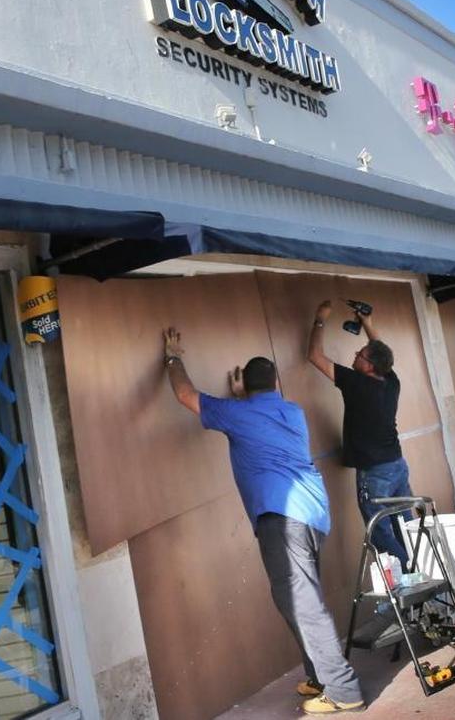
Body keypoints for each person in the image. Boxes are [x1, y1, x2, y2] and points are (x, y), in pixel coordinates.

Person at [162, 327, 364, 715]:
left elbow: (186, 395)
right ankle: (321, 675)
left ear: (246, 388)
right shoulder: (291, 411)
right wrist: (243, 397)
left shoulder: (237, 415)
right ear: (276, 383)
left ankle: (343, 689)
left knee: (303, 604)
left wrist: (172, 358)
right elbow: (259, 419)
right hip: (313, 516)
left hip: (282, 518)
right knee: (294, 599)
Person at [307, 300, 412, 565]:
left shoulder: (356, 384)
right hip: (397, 466)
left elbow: (315, 357)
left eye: (360, 355)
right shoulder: (391, 382)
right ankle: (424, 572)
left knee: (381, 533)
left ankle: (409, 577)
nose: (355, 355)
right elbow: (380, 353)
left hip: (375, 471)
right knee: (406, 527)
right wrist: (367, 323)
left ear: (369, 367)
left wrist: (320, 319)